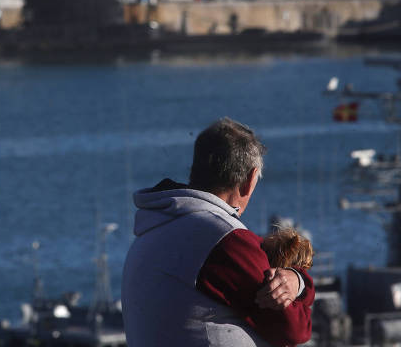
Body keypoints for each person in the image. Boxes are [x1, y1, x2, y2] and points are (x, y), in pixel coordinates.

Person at [122, 118, 314, 347]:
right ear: (249, 180)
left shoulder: (154, 227)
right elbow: (294, 329)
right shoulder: (223, 241)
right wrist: (302, 282)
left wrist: (297, 281)